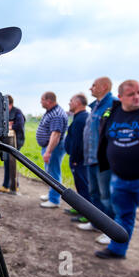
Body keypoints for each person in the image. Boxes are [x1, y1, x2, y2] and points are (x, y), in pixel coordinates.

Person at [94, 80, 139, 260]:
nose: (137, 97)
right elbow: (104, 138)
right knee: (123, 216)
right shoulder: (113, 113)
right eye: (131, 94)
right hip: (119, 178)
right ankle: (117, 249)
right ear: (121, 97)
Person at [78, 77, 117, 245]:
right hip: (90, 158)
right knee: (94, 193)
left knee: (106, 195)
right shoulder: (95, 107)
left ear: (104, 87)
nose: (90, 88)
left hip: (104, 160)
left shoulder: (114, 105)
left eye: (94, 85)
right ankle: (96, 223)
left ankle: (111, 230)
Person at [36, 92, 68, 208]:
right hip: (50, 147)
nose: (41, 101)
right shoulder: (52, 111)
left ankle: (54, 200)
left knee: (53, 173)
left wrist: (48, 151)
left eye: (42, 99)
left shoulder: (56, 114)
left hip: (54, 147)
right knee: (50, 172)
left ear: (48, 101)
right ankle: (51, 194)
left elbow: (56, 135)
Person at [64, 93, 90, 222]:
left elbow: (79, 143)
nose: (69, 103)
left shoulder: (81, 119)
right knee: (79, 184)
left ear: (78, 103)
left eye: (71, 100)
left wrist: (74, 159)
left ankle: (88, 214)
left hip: (79, 160)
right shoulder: (79, 117)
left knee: (84, 185)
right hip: (78, 159)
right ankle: (80, 208)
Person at [0, 95, 26, 193]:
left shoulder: (17, 112)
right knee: (6, 163)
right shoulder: (2, 112)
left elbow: (19, 124)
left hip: (16, 142)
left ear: (10, 104)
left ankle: (13, 186)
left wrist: (10, 125)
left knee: (12, 164)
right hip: (5, 142)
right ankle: (6, 185)